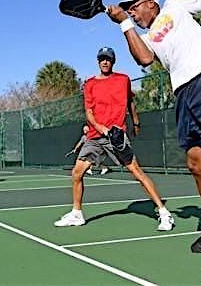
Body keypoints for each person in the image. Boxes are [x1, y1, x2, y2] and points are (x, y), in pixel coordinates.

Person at [107, 0, 201, 277]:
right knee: (195, 162)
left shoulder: (174, 4)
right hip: (183, 93)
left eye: (133, 7)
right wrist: (124, 23)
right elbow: (145, 59)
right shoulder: (146, 37)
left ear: (149, 3)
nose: (132, 11)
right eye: (128, 9)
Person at [54, 46, 174, 231]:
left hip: (116, 137)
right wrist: (100, 128)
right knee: (77, 173)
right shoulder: (90, 84)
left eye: (108, 59)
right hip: (95, 136)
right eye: (102, 58)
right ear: (98, 61)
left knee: (137, 172)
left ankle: (164, 213)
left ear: (112, 61)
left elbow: (130, 102)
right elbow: (89, 112)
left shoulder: (123, 80)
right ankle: (77, 214)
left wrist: (136, 122)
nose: (105, 61)